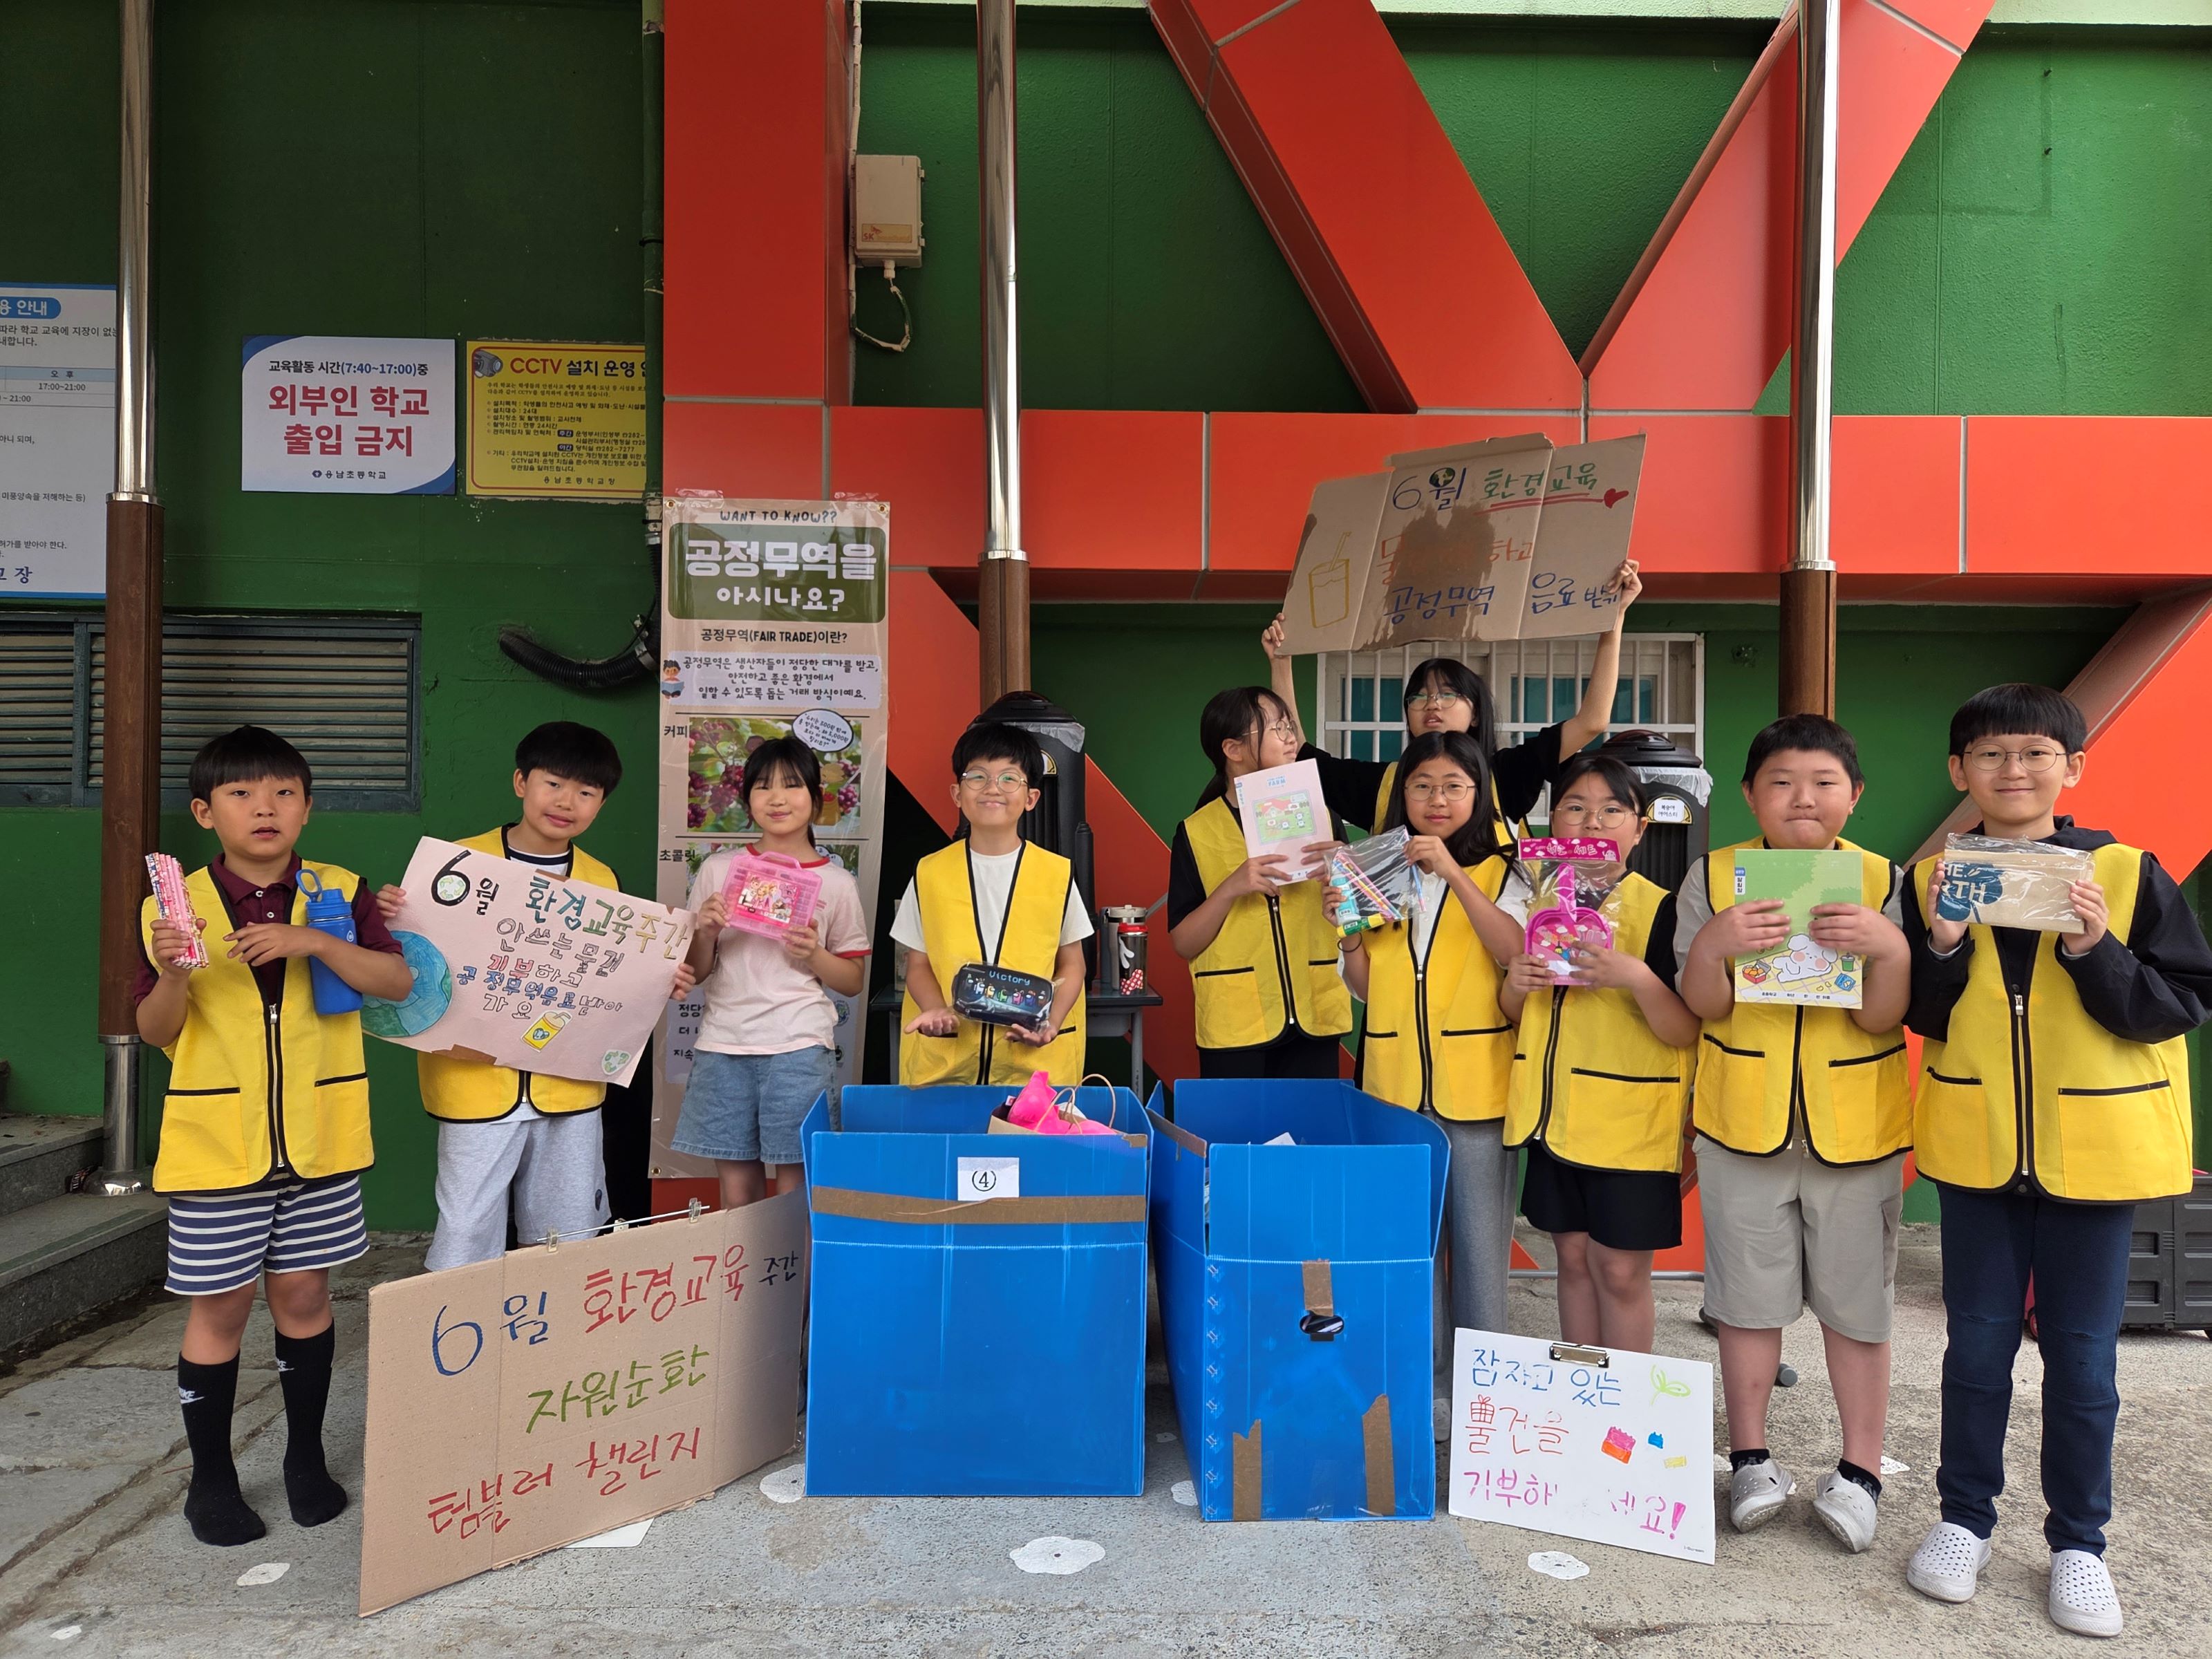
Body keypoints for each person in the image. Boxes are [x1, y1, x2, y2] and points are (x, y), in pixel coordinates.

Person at [1900, 685, 2212, 1640]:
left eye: (2035, 754)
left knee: (2084, 1360)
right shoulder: (1932, 879)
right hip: (1980, 1150)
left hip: (2096, 1156)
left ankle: (2080, 1542)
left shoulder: (2124, 870)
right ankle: (1964, 1521)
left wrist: (2094, 948)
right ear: (1960, 773)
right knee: (1976, 1349)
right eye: (1990, 756)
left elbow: (2182, 1002)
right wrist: (1944, 944)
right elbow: (1921, 1012)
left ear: (2071, 769)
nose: (2013, 771)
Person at [135, 726, 415, 1547]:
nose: (265, 807)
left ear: (307, 808)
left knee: (304, 1298)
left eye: (284, 792)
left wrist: (316, 940)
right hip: (218, 1145)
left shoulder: (340, 889)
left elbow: (393, 980)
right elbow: (156, 1031)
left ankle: (304, 1459)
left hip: (321, 1138)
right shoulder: (171, 904)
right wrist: (177, 970)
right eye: (241, 794)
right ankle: (211, 1479)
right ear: (204, 812)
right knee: (218, 1307)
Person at [1675, 713, 1913, 1553]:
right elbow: (1700, 1004)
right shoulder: (1713, 874)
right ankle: (1749, 1457)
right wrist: (1714, 943)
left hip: (1854, 1129)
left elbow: (1886, 1014)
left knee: (1857, 1308)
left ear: (1853, 794)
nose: (1800, 799)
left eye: (1821, 783)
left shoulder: (1887, 882)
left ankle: (1857, 1472)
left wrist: (1890, 949)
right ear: (1747, 795)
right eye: (1778, 783)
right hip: (1742, 1125)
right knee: (1744, 1301)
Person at [379, 722, 693, 1271]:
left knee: (565, 1235)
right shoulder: (456, 864)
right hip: (474, 1084)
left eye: (587, 792)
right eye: (554, 784)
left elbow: (606, 980)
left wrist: (659, 979)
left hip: (569, 1088)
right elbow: (415, 963)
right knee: (466, 1231)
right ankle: (455, 1345)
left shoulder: (603, 882)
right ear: (521, 782)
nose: (567, 801)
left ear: (601, 804)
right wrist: (389, 920)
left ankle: (553, 1345)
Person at [1498, 753, 1698, 1355]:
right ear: (1552, 820)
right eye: (1576, 808)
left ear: (1640, 828)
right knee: (1574, 1260)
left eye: (1613, 810)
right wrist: (1517, 983)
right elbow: (1517, 1015)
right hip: (1554, 1117)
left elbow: (1686, 1027)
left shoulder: (1665, 908)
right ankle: (1578, 1396)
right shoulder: (1538, 901)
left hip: (1629, 1124)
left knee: (1619, 1270)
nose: (1592, 823)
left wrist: (1634, 975)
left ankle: (1627, 1408)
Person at [1263, 561, 1643, 832]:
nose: (1431, 704)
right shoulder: (1381, 786)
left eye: (1448, 695)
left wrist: (1614, 622)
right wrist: (1281, 664)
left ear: (1476, 714)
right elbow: (1295, 759)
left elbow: (1593, 721)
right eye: (1418, 697)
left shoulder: (1507, 774)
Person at [675, 737, 869, 1208]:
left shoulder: (837, 883)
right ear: (747, 801)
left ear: (817, 797)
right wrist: (704, 932)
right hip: (723, 1043)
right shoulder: (720, 871)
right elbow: (696, 972)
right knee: (737, 1191)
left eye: (792, 785)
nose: (777, 798)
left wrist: (814, 954)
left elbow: (852, 981)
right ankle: (744, 1283)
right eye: (762, 787)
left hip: (799, 1045)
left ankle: (792, 1284)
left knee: (795, 1186)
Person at [1168, 686, 1350, 1078]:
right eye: (1275, 728)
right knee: (1236, 1138)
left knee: (1310, 1138)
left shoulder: (1323, 817)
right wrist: (1232, 886)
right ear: (1233, 750)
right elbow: (1183, 942)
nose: (1289, 737)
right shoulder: (1196, 832)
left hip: (1315, 1012)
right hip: (1236, 1023)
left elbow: (1352, 917)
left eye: (1289, 726)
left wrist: (1345, 875)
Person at [897, 720, 1090, 1086]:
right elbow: (917, 963)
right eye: (978, 777)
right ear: (957, 793)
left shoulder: (1057, 873)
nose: (992, 789)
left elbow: (1072, 964)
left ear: (1031, 797)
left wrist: (1052, 1022)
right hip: (948, 1071)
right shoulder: (929, 872)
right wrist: (935, 1009)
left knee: (1025, 1145)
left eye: (1009, 778)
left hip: (1032, 1070)